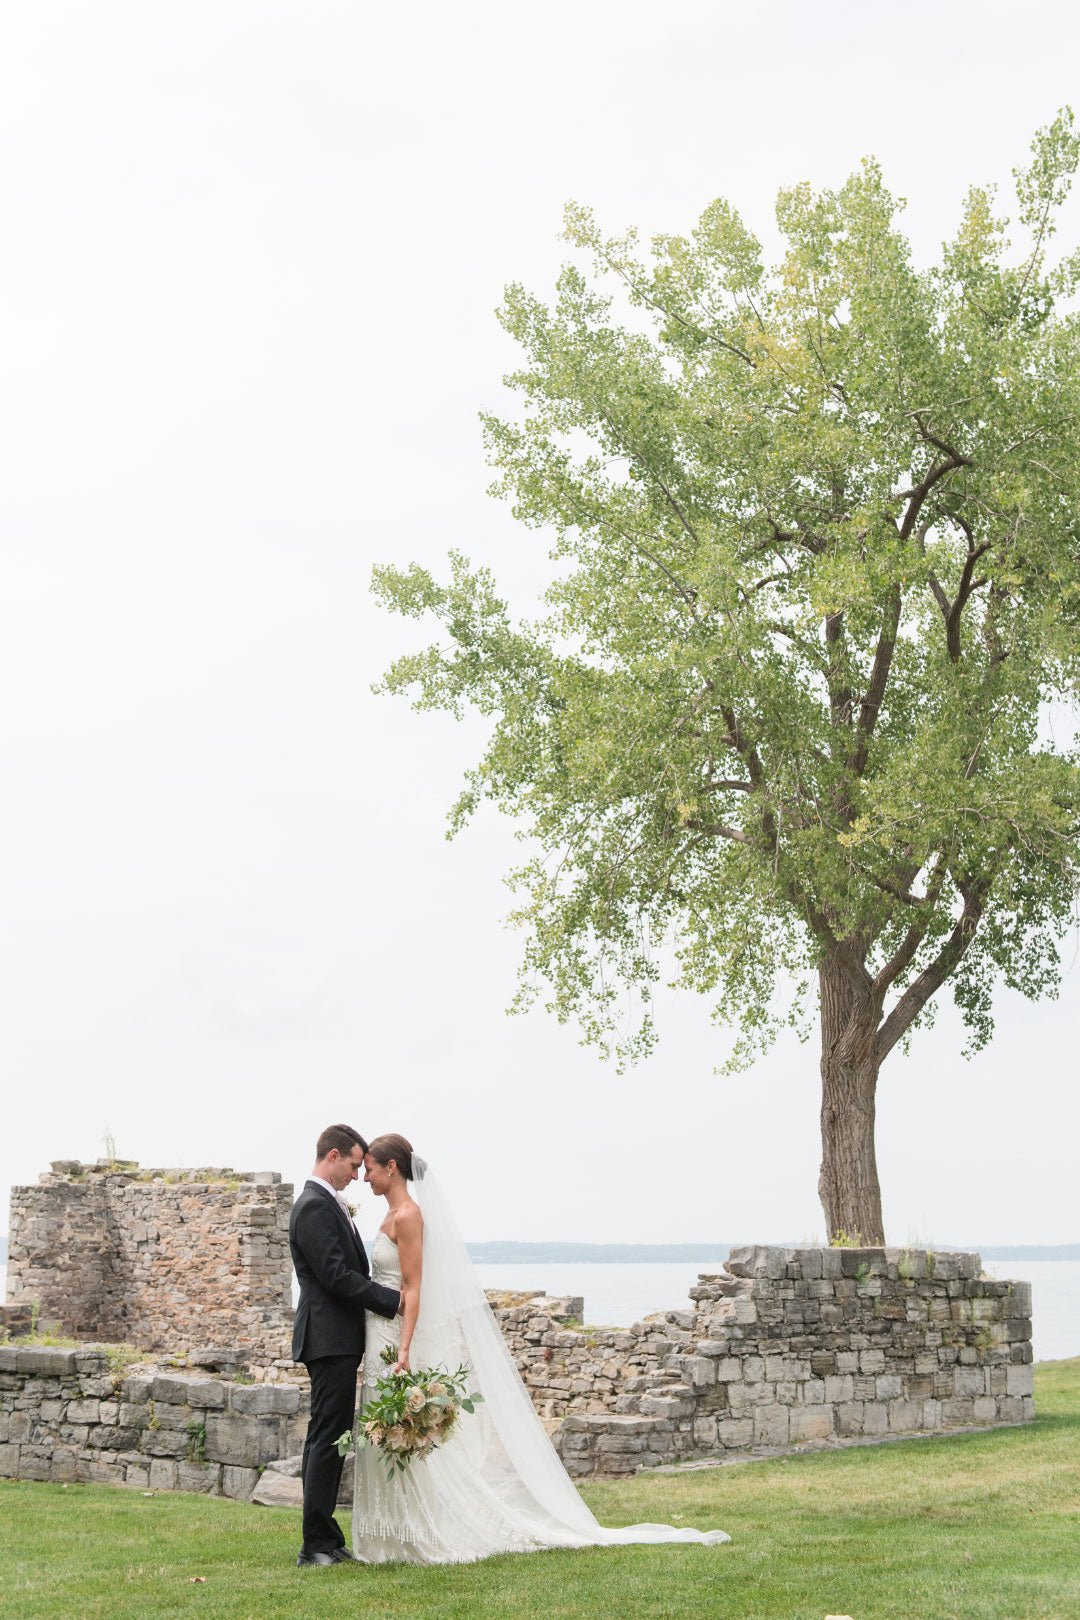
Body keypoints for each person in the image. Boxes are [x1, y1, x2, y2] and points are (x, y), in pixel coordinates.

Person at [352, 1132, 730, 1563]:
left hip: (394, 1335)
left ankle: (417, 1532)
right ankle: (387, 1535)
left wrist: (404, 1350)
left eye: (368, 1168)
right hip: (375, 1331)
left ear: (391, 1168)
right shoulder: (386, 1217)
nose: (364, 1176)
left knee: (401, 1434)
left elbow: (414, 1288)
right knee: (381, 1429)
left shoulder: (409, 1216)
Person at [289, 1123, 403, 1567]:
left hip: (335, 1338)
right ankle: (315, 1545)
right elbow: (336, 1276)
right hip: (328, 1339)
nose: (358, 1175)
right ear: (333, 1156)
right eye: (355, 1165)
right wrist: (394, 1301)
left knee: (330, 1436)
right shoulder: (314, 1206)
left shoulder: (326, 1203)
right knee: (327, 1438)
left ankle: (325, 1539)